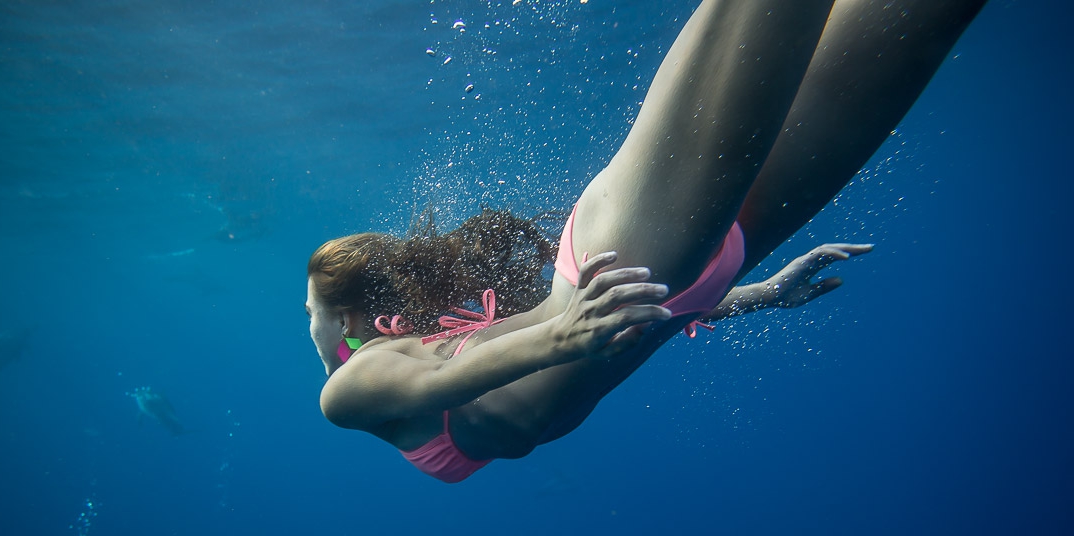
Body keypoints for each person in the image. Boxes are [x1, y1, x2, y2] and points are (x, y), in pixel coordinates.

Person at [306, 0, 986, 482]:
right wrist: (762, 296)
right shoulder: (420, 368)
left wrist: (561, 338)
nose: (307, 325)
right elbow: (626, 318)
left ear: (343, 322)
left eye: (307, 312)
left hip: (629, 244)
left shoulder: (347, 392)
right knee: (924, 19)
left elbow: (447, 377)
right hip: (702, 270)